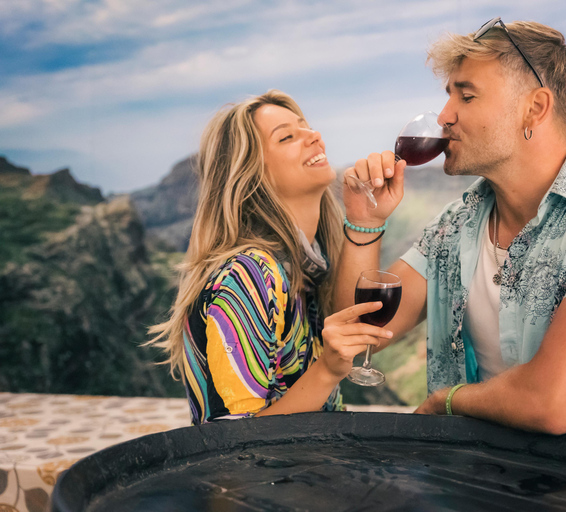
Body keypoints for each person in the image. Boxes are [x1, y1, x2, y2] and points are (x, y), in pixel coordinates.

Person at [336, 18, 566, 462]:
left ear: (534, 108)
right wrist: (365, 222)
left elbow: (551, 401)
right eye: (448, 96)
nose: (444, 116)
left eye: (467, 95)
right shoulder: (457, 223)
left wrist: (447, 401)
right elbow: (359, 332)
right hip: (483, 484)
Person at [147, 90, 394, 424]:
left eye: (306, 127)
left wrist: (366, 220)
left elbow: (353, 324)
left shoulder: (306, 267)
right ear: (252, 174)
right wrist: (327, 371)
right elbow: (233, 440)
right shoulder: (247, 276)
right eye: (288, 137)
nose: (315, 137)